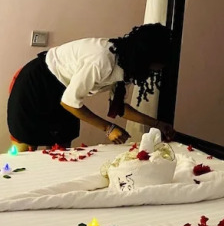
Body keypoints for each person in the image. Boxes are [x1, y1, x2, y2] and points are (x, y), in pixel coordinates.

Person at [7, 23, 176, 152]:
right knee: (24, 150)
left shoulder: (128, 65)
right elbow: (70, 103)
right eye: (157, 65)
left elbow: (119, 108)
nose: (158, 70)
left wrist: (158, 124)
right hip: (36, 85)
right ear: (145, 58)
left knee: (62, 149)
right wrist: (108, 128)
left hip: (63, 88)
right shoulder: (102, 60)